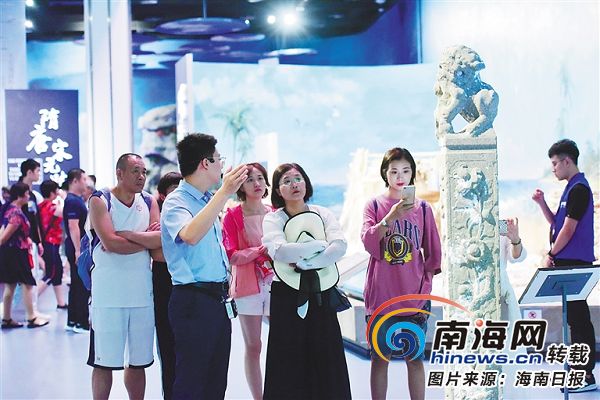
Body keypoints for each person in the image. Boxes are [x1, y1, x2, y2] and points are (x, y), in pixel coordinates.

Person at [161, 133, 248, 399]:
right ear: (205, 163)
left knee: (215, 380)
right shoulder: (176, 201)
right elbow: (190, 235)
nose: (221, 165)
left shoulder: (206, 199)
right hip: (193, 299)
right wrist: (223, 193)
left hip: (217, 299)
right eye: (218, 159)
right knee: (192, 380)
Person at [261, 163, 351, 400]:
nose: (294, 184)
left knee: (326, 353)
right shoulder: (273, 219)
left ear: (306, 182)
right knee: (288, 358)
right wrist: (318, 246)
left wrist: (307, 263)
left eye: (298, 178)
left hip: (321, 291)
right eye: (286, 181)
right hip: (286, 295)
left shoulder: (322, 213)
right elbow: (279, 251)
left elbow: (339, 245)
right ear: (278, 190)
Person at [361, 148, 441, 400]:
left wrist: (426, 284)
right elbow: (368, 242)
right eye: (394, 171)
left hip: (414, 297)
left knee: (414, 359)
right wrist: (391, 216)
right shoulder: (374, 205)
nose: (400, 176)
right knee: (379, 358)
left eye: (406, 171)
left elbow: (434, 252)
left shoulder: (424, 208)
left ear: (412, 174)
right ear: (385, 173)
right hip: (382, 297)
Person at [87, 153, 161, 400]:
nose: (141, 176)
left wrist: (127, 235)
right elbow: (110, 243)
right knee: (103, 362)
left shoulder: (149, 201)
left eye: (144, 172)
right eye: (135, 171)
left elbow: (158, 241)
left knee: (139, 362)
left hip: (141, 294)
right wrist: (144, 239)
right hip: (108, 296)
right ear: (119, 173)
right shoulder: (100, 200)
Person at [532, 138, 596, 393]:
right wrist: (541, 204)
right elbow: (557, 224)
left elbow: (568, 231)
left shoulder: (579, 189)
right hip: (567, 261)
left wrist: (551, 254)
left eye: (555, 163)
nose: (553, 169)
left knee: (578, 320)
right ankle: (580, 371)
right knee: (574, 318)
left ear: (567, 161)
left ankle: (585, 375)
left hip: (575, 263)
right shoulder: (571, 188)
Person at [222, 162, 273, 400]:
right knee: (253, 346)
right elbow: (231, 254)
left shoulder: (275, 212)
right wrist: (259, 251)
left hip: (275, 282)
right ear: (241, 185)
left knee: (282, 340)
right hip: (247, 285)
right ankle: (258, 396)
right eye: (250, 179)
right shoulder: (232, 215)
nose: (257, 184)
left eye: (260, 178)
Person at [0, 182, 49, 328]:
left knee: (10, 285)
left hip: (11, 253)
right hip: (17, 254)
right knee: (28, 283)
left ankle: (7, 318)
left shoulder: (8, 209)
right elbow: (5, 236)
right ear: (20, 196)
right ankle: (31, 317)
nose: (29, 197)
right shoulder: (16, 213)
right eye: (27, 194)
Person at [152, 171, 182, 400]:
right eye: (173, 190)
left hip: (189, 286)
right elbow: (157, 253)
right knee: (167, 343)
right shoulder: (158, 218)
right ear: (162, 195)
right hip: (164, 283)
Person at [63, 168, 90, 333]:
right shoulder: (73, 201)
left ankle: (73, 320)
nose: (86, 183)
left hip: (75, 246)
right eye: (84, 179)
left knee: (76, 284)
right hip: (76, 247)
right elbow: (73, 227)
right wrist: (78, 250)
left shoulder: (75, 200)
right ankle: (81, 322)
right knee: (81, 284)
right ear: (75, 181)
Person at [37, 179, 67, 309]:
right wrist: (63, 197)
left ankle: (61, 302)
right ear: (52, 192)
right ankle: (31, 301)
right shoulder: (52, 207)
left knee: (57, 272)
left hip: (47, 244)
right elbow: (65, 212)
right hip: (51, 244)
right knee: (51, 273)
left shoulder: (40, 206)